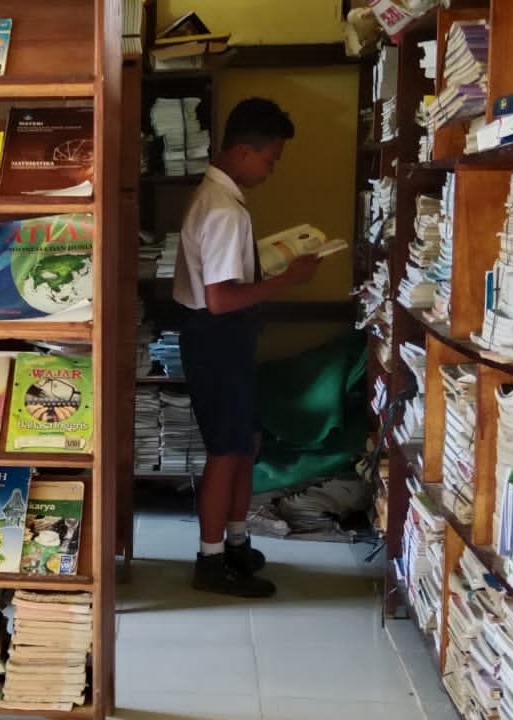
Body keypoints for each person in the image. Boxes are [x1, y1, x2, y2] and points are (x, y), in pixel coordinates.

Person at [173, 97, 319, 598]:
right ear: (243, 151)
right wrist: (289, 278)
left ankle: (234, 541)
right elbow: (220, 299)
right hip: (216, 337)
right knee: (225, 450)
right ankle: (211, 559)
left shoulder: (218, 198)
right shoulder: (223, 210)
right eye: (269, 160)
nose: (270, 170)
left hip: (219, 339)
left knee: (244, 443)